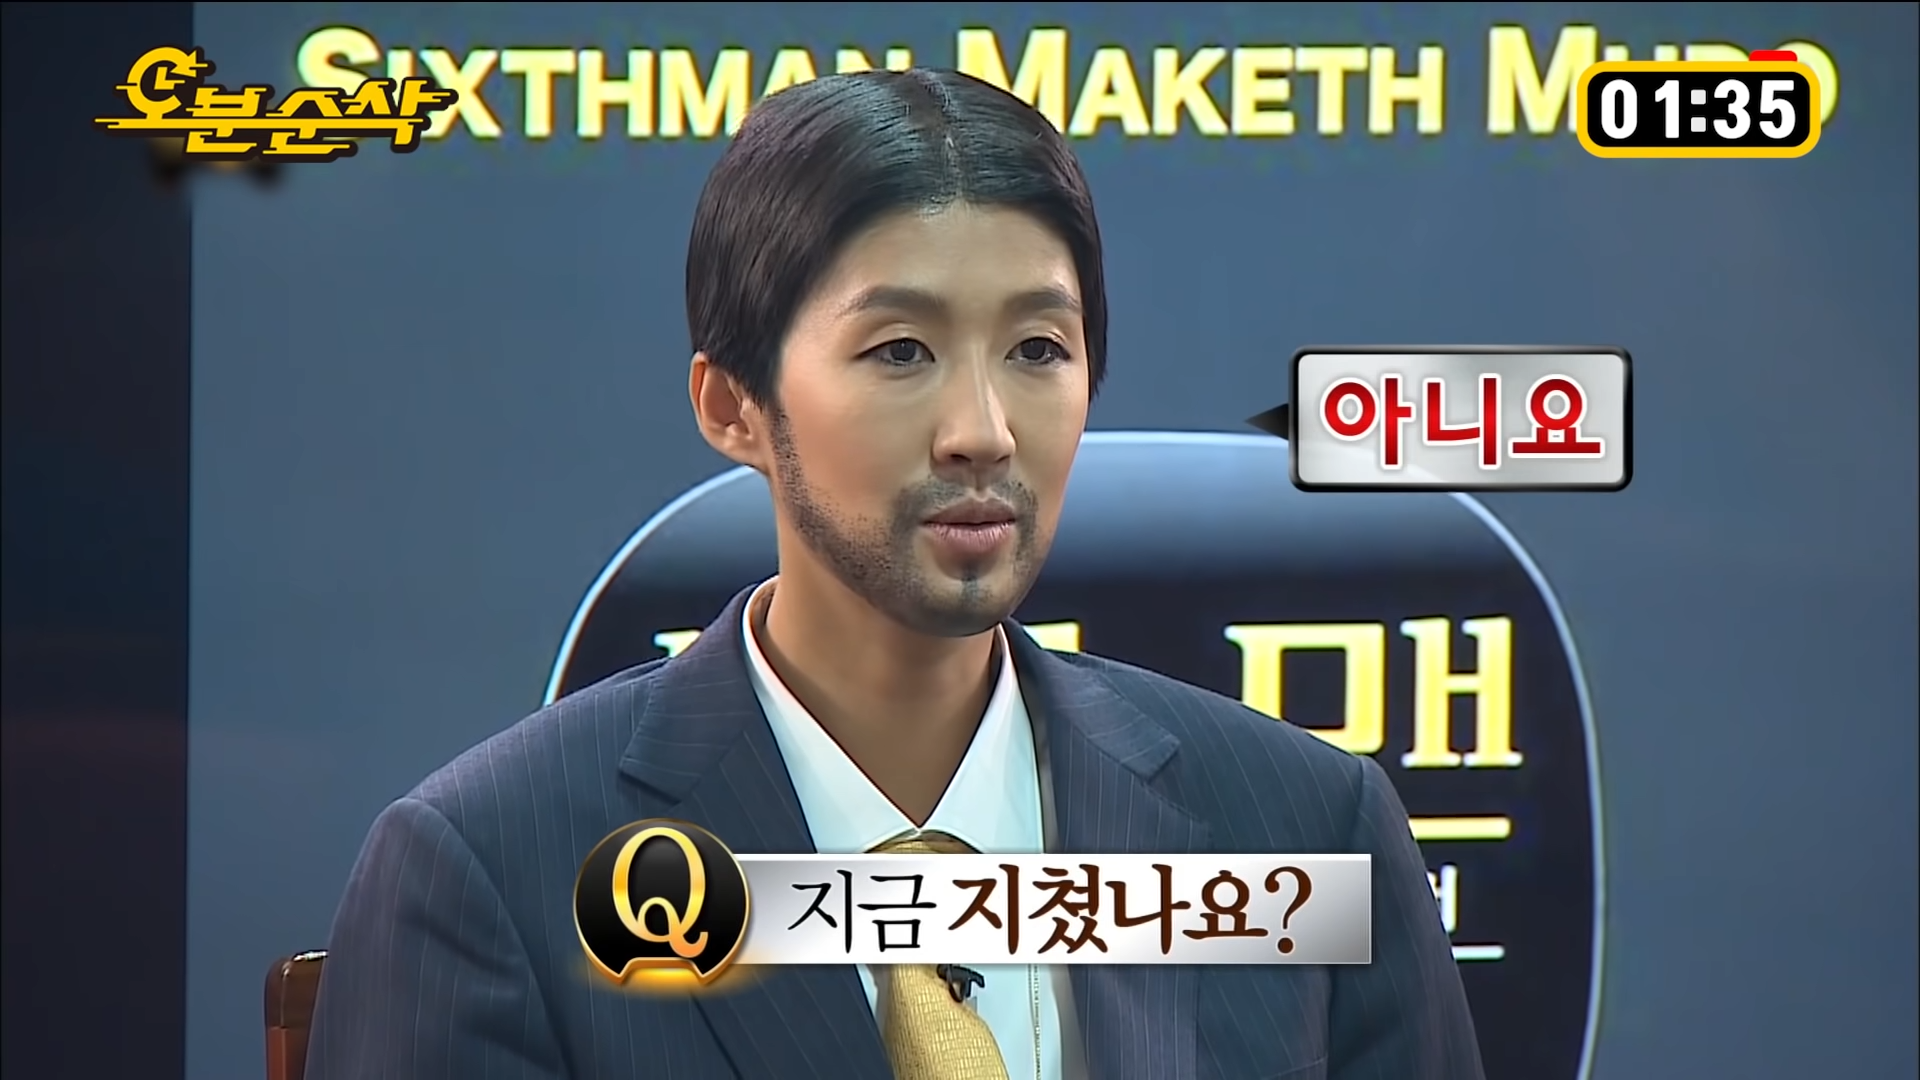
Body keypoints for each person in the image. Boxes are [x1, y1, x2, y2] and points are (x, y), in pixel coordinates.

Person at [305, 68, 1484, 1080]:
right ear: (734, 406)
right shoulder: (497, 871)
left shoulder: (1303, 830)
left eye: (1037, 349)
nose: (982, 431)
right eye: (901, 350)